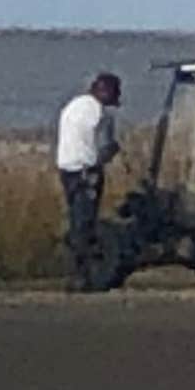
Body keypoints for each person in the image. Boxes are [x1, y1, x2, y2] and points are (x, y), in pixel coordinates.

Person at [54, 69, 125, 271]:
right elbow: (104, 149)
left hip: (67, 170)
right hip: (87, 172)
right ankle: (84, 270)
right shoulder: (100, 114)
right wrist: (114, 150)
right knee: (85, 223)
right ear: (106, 92)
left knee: (75, 219)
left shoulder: (72, 106)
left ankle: (74, 266)